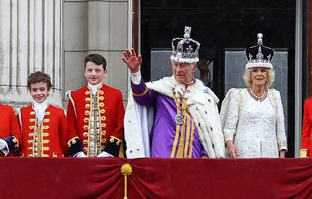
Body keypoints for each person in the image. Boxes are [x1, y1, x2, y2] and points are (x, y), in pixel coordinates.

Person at [121, 26, 225, 158]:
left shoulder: (205, 95)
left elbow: (210, 130)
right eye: (175, 64)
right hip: (163, 157)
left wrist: (206, 154)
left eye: (183, 65)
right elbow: (142, 97)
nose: (178, 70)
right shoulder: (163, 89)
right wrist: (135, 73)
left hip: (194, 160)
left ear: (193, 67)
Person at [221, 34, 288, 158]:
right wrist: (230, 146)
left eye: (263, 71)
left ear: (268, 75)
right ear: (249, 75)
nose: (259, 74)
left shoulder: (275, 96)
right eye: (255, 71)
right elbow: (229, 129)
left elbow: (280, 130)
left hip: (270, 155)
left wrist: (282, 157)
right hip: (243, 155)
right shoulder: (238, 95)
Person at [65, 54, 124, 157]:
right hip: (82, 157)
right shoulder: (74, 96)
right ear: (84, 72)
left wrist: (108, 152)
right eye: (90, 70)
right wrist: (78, 153)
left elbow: (120, 124)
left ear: (105, 73)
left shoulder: (115, 94)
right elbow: (70, 127)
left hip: (108, 155)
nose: (93, 74)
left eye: (97, 70)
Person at [18, 71, 72, 157]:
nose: (38, 93)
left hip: (53, 162)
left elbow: (64, 140)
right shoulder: (22, 113)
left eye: (42, 89)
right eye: (34, 90)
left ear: (48, 90)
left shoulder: (59, 113)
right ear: (30, 91)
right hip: (27, 163)